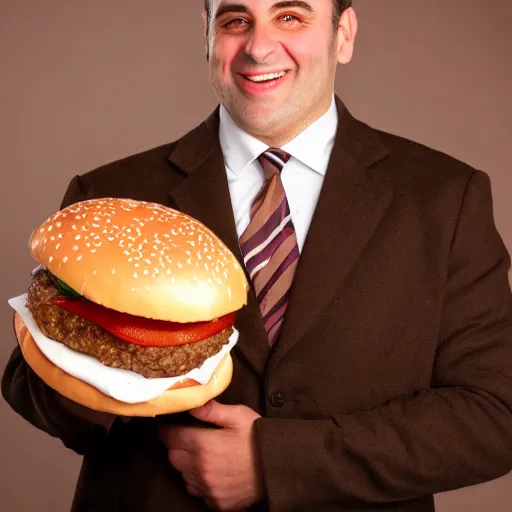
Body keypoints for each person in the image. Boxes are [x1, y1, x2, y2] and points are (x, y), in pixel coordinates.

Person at [3, 0, 512, 511]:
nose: (259, 46)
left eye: (290, 16)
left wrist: (276, 462)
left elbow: (496, 414)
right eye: (235, 20)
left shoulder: (445, 198)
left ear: (344, 33)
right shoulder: (109, 195)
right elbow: (32, 392)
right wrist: (106, 355)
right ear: (207, 36)